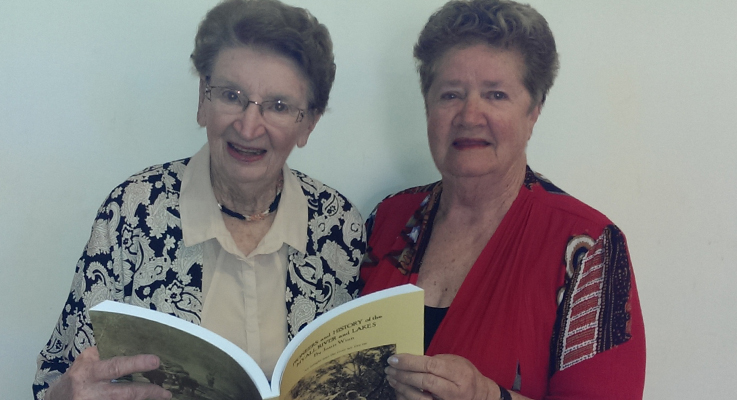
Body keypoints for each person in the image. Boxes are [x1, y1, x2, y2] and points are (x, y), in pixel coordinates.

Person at [33, 1, 365, 399]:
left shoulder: (339, 226)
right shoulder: (131, 212)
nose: (248, 126)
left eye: (278, 106)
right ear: (203, 100)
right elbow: (56, 376)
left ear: (308, 123)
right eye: (231, 95)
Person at [359, 1, 646, 399]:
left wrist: (487, 395)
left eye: (495, 95)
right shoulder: (387, 218)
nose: (469, 115)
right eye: (450, 95)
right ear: (427, 106)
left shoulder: (588, 247)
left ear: (534, 111)